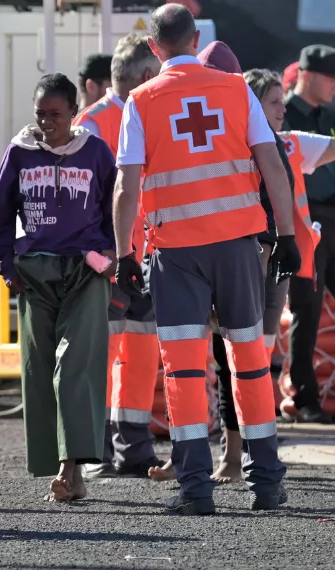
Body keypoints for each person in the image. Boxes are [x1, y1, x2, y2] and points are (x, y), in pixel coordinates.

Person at [111, 4, 299, 515]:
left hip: (176, 254)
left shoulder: (142, 101)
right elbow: (272, 166)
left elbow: (127, 185)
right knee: (251, 363)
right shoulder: (237, 90)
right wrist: (285, 236)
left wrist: (125, 252)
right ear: (196, 40)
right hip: (239, 246)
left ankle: (196, 489)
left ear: (154, 48)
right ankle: (267, 483)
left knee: (186, 370)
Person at [0, 73, 117, 502]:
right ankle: (58, 467)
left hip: (85, 272)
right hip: (35, 275)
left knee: (73, 367)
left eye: (56, 115)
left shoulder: (96, 152)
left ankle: (69, 469)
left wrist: (113, 258)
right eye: (40, 114)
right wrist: (6, 268)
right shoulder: (19, 154)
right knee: (39, 372)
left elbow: (118, 206)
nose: (46, 123)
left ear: (75, 113)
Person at [73, 33, 165, 480]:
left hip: (139, 255)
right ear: (147, 75)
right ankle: (95, 452)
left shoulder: (109, 118)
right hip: (113, 258)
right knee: (105, 353)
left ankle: (131, 449)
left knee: (138, 353)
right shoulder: (94, 122)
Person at [281, 44, 335, 424]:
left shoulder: (330, 115)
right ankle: (303, 398)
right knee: (306, 308)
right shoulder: (278, 115)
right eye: (330, 77)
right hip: (304, 221)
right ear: (309, 74)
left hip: (333, 217)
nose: (334, 85)